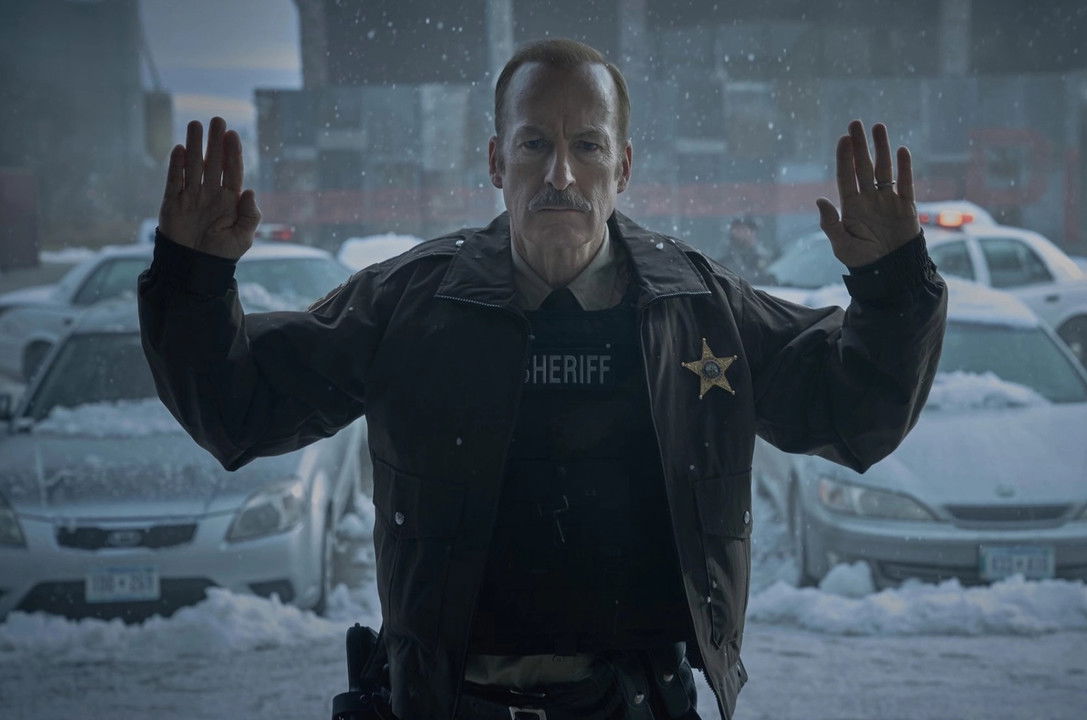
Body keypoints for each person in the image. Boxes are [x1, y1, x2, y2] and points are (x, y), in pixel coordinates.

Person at [139, 38, 946, 720]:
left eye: (587, 146)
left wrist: (892, 285)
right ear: (497, 161)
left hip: (636, 704)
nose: (560, 173)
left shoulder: (699, 309)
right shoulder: (410, 304)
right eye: (534, 145)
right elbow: (241, 409)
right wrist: (194, 280)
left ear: (623, 166)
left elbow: (855, 414)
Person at [719, 217, 774, 286]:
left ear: (753, 233)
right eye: (736, 230)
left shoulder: (764, 256)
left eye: (743, 230)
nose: (739, 233)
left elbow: (770, 278)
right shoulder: (725, 255)